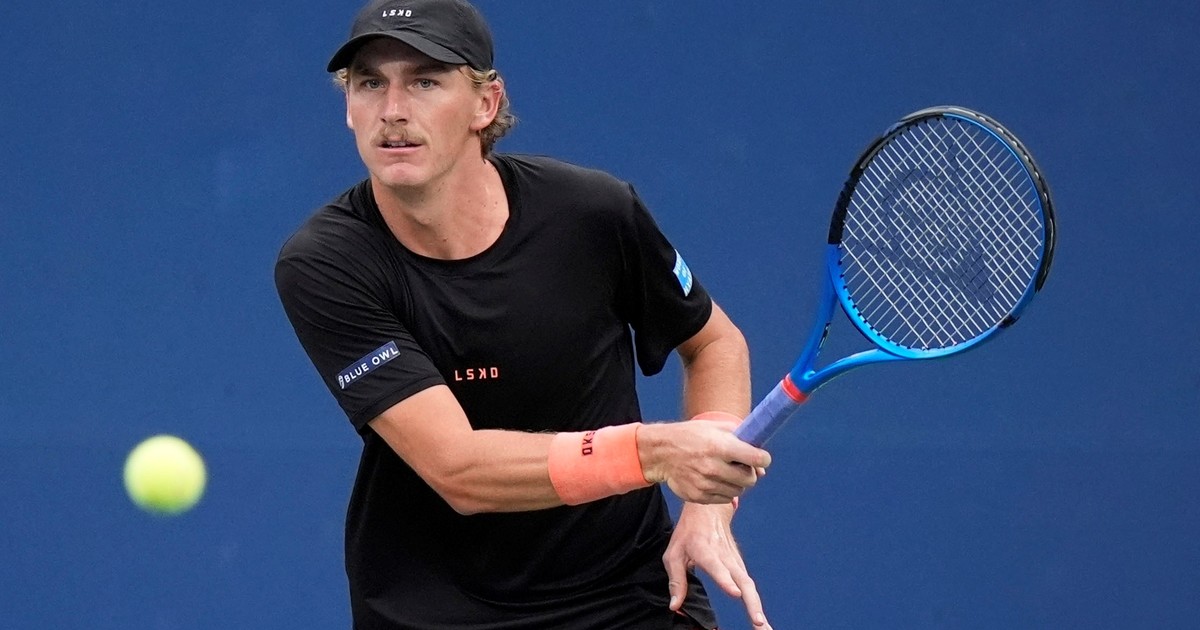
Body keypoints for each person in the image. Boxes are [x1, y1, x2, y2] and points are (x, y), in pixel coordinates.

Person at [274, 0, 774, 628]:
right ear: (349, 108)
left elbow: (714, 343)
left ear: (485, 103)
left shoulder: (593, 212)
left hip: (629, 598)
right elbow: (459, 470)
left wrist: (709, 505)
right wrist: (655, 451)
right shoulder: (326, 263)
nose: (393, 110)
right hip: (437, 613)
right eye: (370, 83)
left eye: (425, 82)